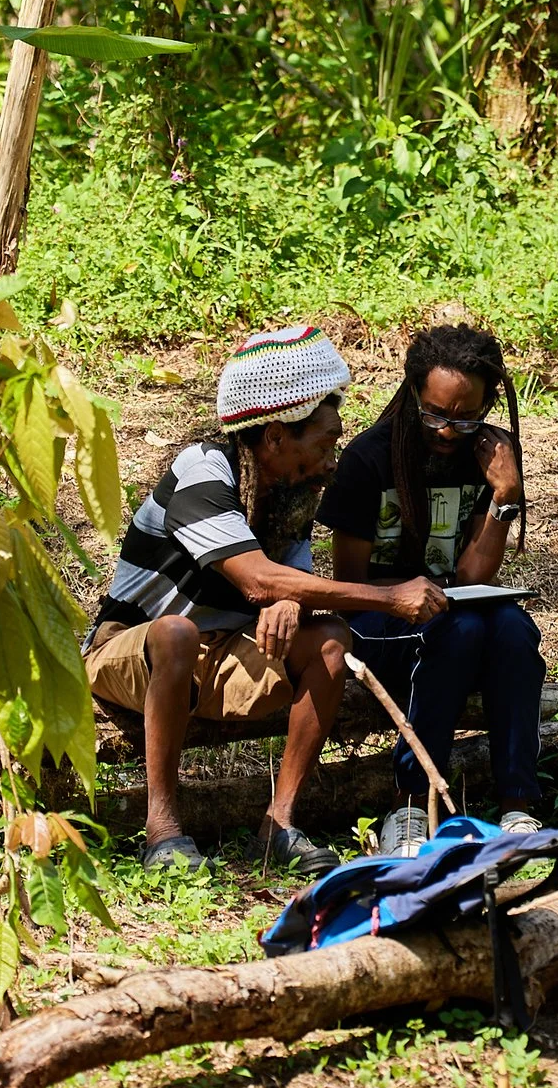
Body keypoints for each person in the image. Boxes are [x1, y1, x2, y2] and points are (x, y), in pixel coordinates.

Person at [85, 325, 448, 874]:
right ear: (276, 436)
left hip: (225, 651)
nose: (332, 461)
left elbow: (283, 588)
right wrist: (387, 596)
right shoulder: (203, 471)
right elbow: (258, 578)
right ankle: (162, 828)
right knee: (177, 633)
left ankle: (278, 824)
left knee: (329, 642)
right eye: (323, 444)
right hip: (133, 652)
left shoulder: (289, 493)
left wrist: (288, 602)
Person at [318, 323, 543, 856]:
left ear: (489, 403)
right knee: (457, 631)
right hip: (374, 614)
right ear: (414, 392)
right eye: (436, 413)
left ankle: (519, 804)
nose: (447, 430)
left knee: (513, 630)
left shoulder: (489, 459)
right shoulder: (368, 459)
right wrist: (411, 591)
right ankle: (413, 804)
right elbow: (348, 582)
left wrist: (505, 494)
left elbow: (472, 578)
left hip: (449, 605)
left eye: (467, 418)